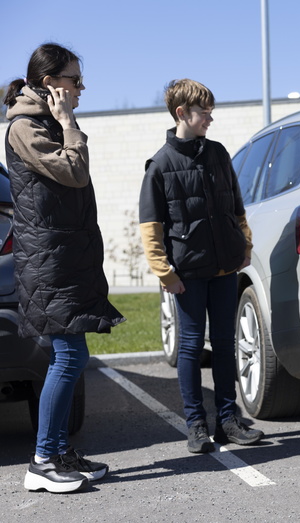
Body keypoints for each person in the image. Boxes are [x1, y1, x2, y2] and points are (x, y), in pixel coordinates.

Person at [4, 43, 126, 493]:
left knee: (71, 356)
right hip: (47, 262)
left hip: (62, 258)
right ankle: (42, 461)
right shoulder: (25, 127)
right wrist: (70, 124)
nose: (81, 88)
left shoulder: (46, 124)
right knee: (70, 355)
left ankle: (57, 451)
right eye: (75, 79)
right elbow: (74, 172)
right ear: (50, 83)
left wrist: (64, 123)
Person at [139, 79, 263, 454]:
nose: (210, 118)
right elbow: (150, 228)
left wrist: (244, 245)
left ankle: (228, 421)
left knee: (224, 344)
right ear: (182, 113)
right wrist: (166, 273)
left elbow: (236, 206)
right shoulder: (160, 165)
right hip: (187, 276)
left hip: (224, 268)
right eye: (204, 112)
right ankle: (195, 425)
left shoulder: (218, 153)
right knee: (191, 347)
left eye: (211, 111)